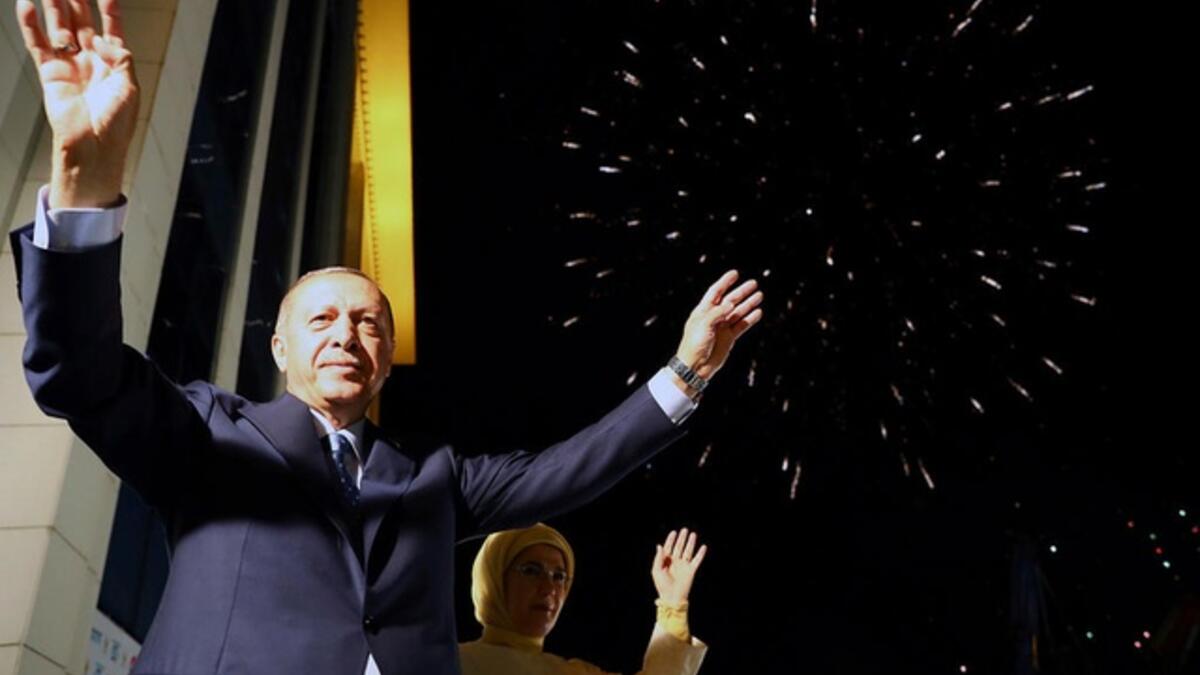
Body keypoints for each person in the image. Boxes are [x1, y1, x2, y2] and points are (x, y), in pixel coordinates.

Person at [9, 1, 764, 673]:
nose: (347, 334)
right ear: (279, 349)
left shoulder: (434, 475)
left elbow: (571, 469)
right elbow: (80, 372)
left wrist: (687, 370)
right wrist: (87, 181)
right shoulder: (207, 432)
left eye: (369, 322)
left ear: (385, 360)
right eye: (323, 318)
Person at [459, 524, 709, 675]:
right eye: (531, 570)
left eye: (559, 576)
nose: (549, 589)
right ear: (493, 578)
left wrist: (673, 604)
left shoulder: (569, 673)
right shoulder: (445, 662)